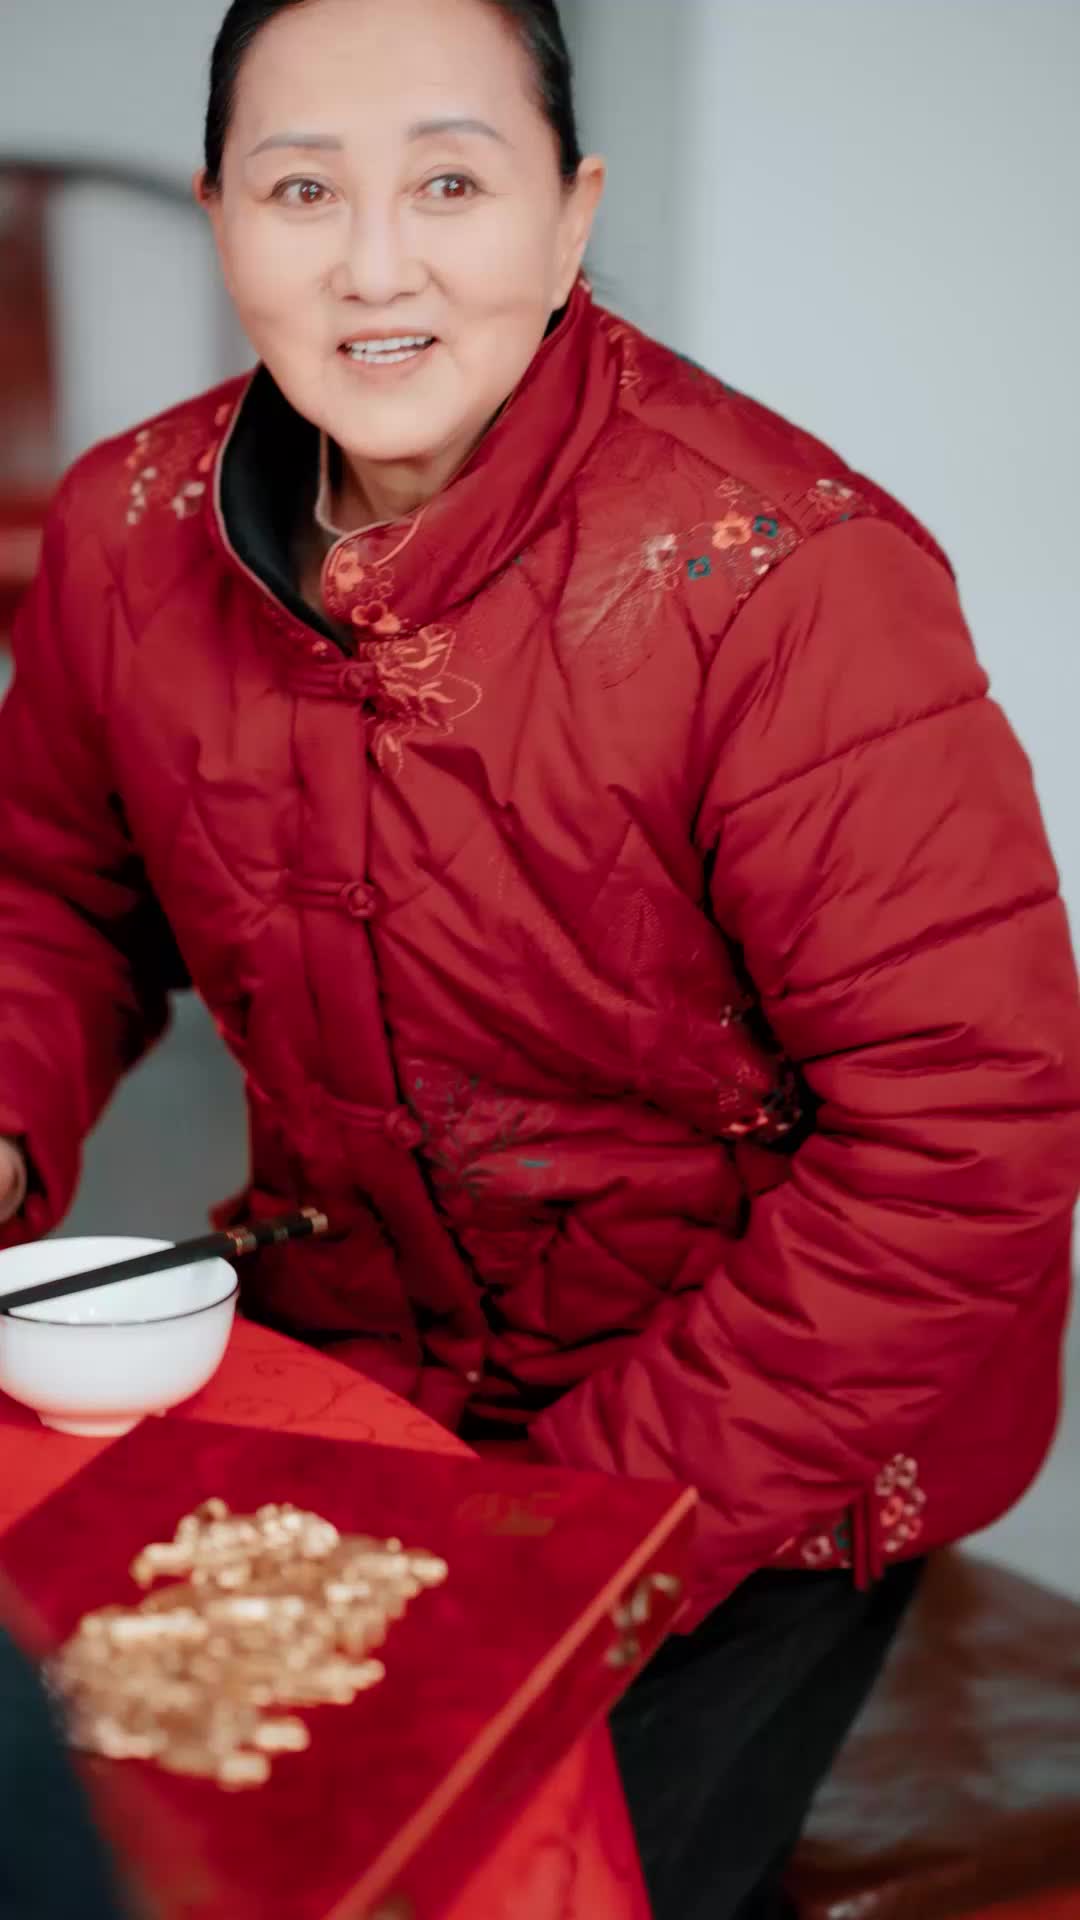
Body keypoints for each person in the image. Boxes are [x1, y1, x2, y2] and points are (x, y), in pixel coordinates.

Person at [0, 0, 1077, 1912]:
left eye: (450, 183)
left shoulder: (779, 581)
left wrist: (564, 1528)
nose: (376, 263)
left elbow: (966, 1142)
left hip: (744, 1451)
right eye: (303, 190)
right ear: (220, 216)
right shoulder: (127, 530)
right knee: (84, 1804)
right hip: (352, 1366)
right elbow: (53, 895)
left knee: (403, 1875)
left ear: (571, 215)